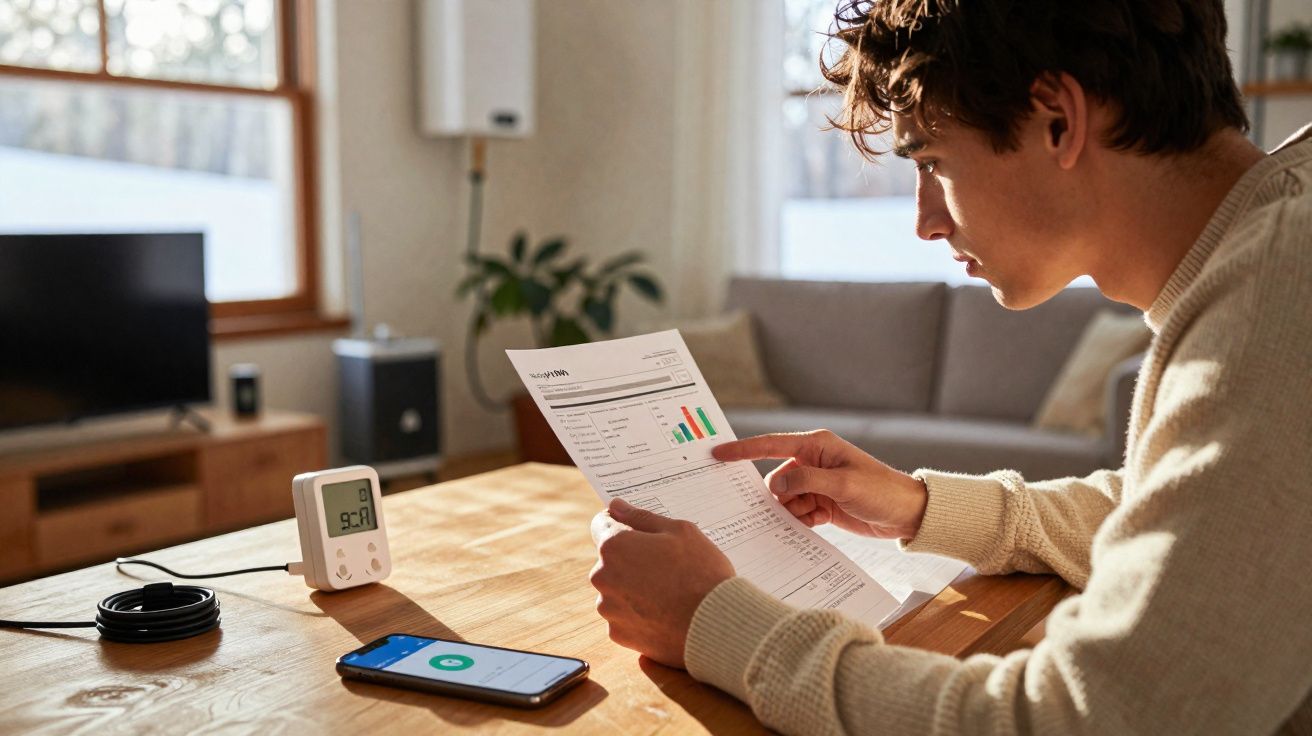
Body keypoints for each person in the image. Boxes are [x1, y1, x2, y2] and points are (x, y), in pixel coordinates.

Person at [587, 0, 1312, 733]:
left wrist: (714, 623)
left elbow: (1086, 720)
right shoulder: (1273, 249)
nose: (925, 222)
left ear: (1058, 121)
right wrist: (920, 505)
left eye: (932, 162)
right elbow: (1186, 516)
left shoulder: (1279, 292)